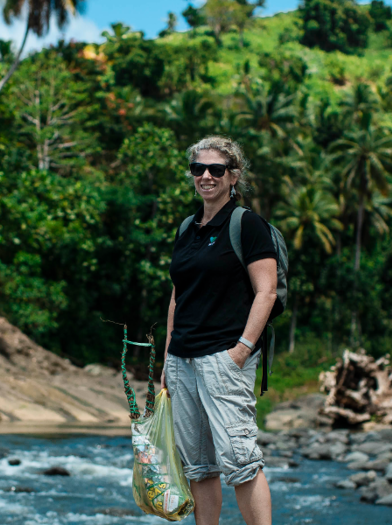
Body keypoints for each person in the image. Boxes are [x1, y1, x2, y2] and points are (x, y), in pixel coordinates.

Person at [160, 136, 277, 525]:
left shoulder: (248, 224)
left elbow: (267, 291)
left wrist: (241, 351)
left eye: (216, 169)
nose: (206, 176)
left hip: (224, 357)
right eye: (198, 169)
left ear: (233, 176)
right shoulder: (187, 228)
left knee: (241, 462)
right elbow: (179, 296)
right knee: (199, 467)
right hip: (182, 361)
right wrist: (167, 359)